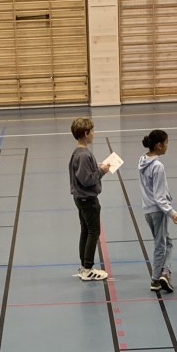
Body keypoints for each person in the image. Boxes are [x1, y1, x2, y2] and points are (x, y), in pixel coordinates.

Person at [137, 128, 177, 295]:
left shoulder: (142, 160)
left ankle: (165, 273)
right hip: (157, 210)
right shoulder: (158, 166)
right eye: (166, 143)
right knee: (161, 245)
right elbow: (160, 197)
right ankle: (156, 279)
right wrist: (172, 213)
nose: (167, 146)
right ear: (159, 145)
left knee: (166, 242)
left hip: (147, 210)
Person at [69, 117, 112, 281]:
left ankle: (84, 266)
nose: (94, 133)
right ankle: (87, 268)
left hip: (81, 199)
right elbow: (87, 180)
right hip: (87, 200)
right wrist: (101, 171)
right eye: (92, 131)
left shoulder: (78, 153)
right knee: (93, 232)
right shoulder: (84, 155)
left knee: (86, 231)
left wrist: (97, 168)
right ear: (86, 133)